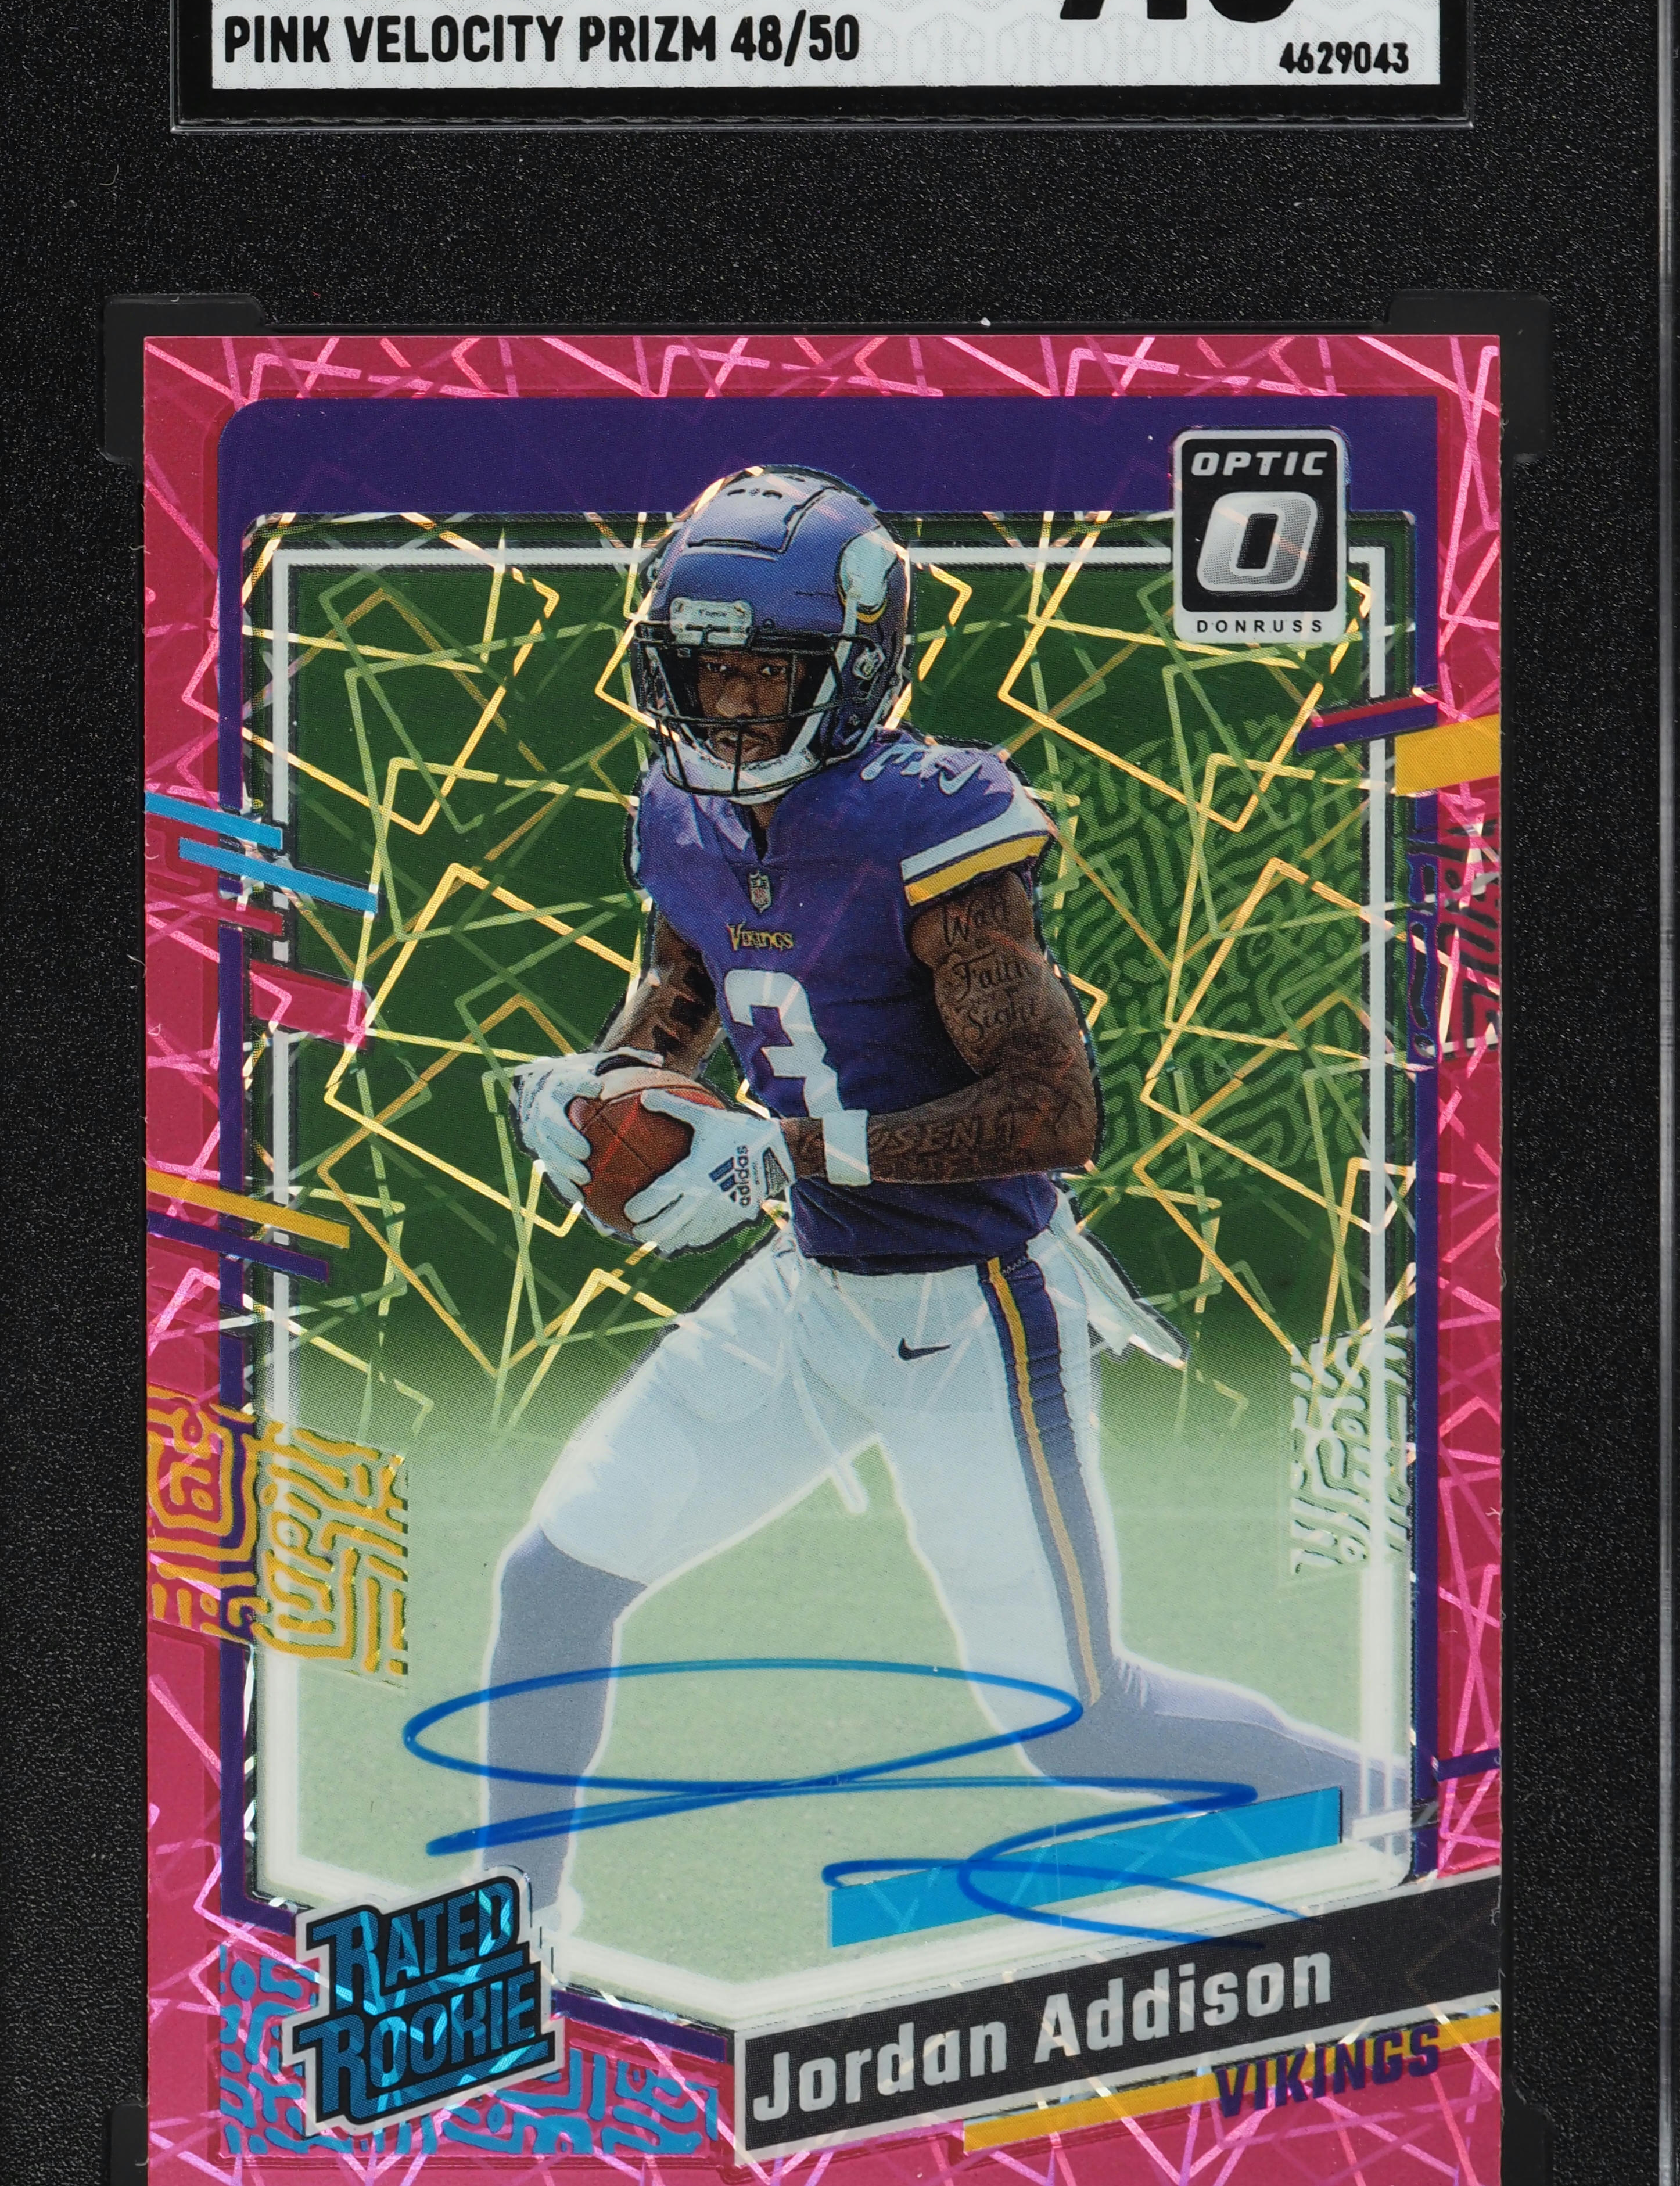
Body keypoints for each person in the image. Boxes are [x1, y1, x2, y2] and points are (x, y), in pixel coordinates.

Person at [487, 465, 1387, 1934]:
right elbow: (686, 983)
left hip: (972, 1309)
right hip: (811, 1291)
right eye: (706, 672)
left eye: (766, 674)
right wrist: (611, 1084)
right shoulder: (682, 811)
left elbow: (1052, 1107)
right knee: (553, 1580)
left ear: (851, 669)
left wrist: (785, 1152)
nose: (730, 708)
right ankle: (507, 1943)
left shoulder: (927, 823)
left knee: (1086, 1725)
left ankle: (1412, 1805)